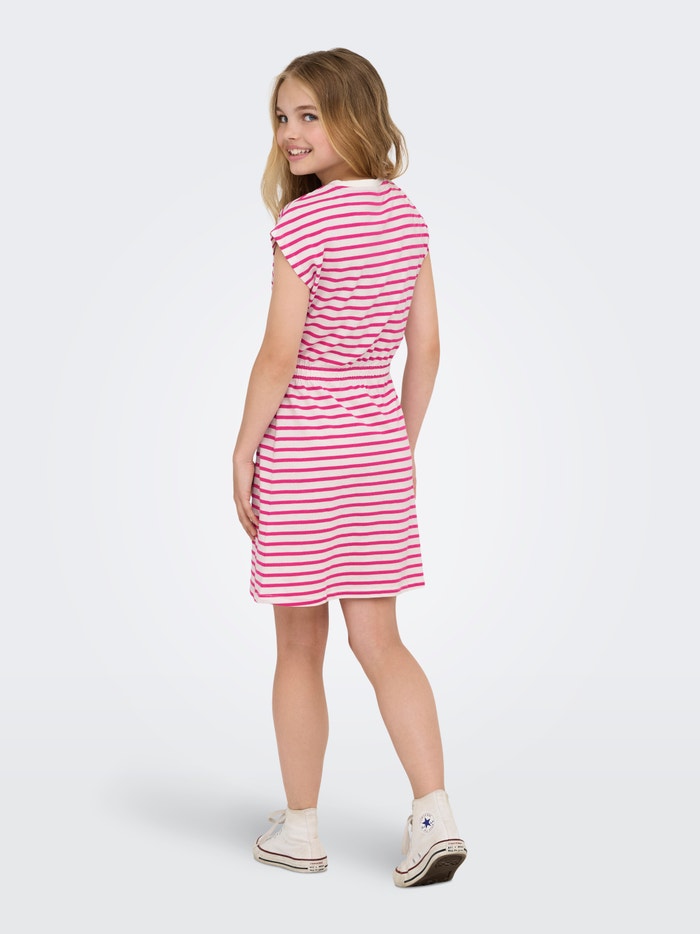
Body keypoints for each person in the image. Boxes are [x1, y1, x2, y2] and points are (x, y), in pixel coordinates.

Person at [232, 47, 467, 887]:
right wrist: (398, 445)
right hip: (375, 451)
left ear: (355, 118)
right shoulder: (405, 217)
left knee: (300, 645)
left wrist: (244, 448)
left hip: (302, 450)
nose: (290, 133)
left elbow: (278, 355)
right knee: (382, 640)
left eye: (310, 115)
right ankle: (433, 815)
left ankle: (300, 830)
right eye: (282, 116)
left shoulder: (303, 225)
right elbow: (427, 349)